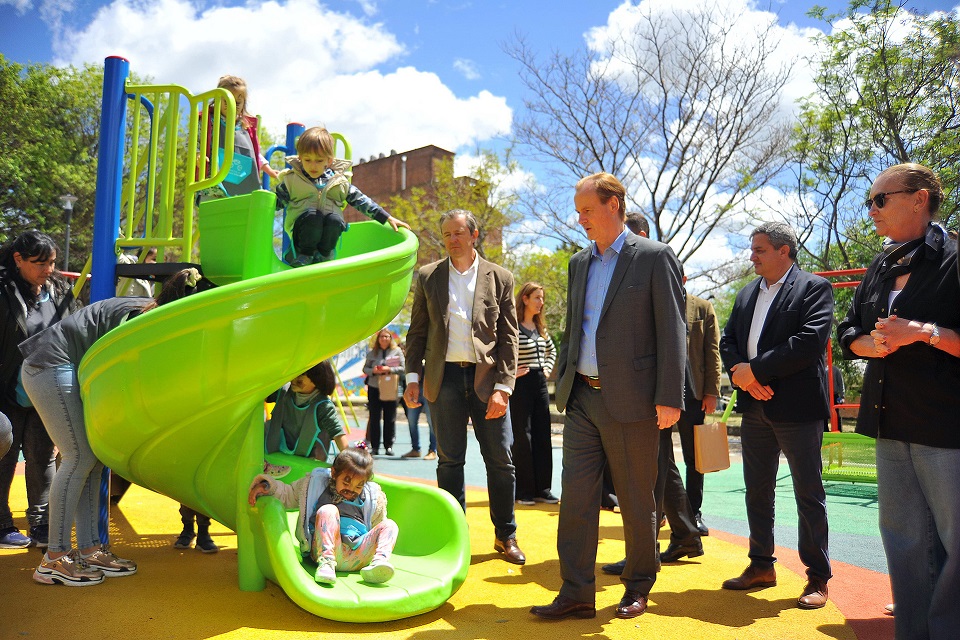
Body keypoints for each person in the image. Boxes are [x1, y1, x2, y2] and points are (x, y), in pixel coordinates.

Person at [530, 173, 686, 622]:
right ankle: (577, 592)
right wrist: (564, 378)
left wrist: (669, 396)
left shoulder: (655, 257)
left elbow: (672, 330)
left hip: (634, 401)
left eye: (587, 210)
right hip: (582, 396)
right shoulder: (578, 263)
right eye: (578, 212)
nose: (580, 219)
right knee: (576, 498)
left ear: (613, 204)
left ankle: (638, 585)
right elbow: (574, 327)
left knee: (637, 500)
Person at [837, 163, 960, 639]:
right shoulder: (880, 265)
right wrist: (863, 344)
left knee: (956, 540)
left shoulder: (953, 258)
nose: (871, 209)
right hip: (889, 422)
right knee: (903, 541)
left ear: (919, 198)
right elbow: (848, 328)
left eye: (879, 199)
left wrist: (922, 333)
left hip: (944, 425)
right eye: (869, 201)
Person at [21, 269, 200, 586]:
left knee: (94, 456)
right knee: (78, 456)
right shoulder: (140, 319)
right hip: (49, 364)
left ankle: (90, 550)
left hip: (67, 366)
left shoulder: (146, 312)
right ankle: (54, 559)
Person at [719, 221, 834, 610]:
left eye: (759, 249)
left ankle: (817, 577)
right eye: (752, 249)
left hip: (798, 409)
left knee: (808, 493)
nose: (752, 256)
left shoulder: (814, 287)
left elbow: (808, 342)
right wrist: (744, 376)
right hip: (754, 407)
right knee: (757, 489)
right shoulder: (746, 292)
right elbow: (728, 341)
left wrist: (756, 371)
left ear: (784, 251)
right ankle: (761, 565)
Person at [403, 208, 525, 565]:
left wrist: (504, 387)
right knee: (449, 461)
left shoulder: (500, 277)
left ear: (474, 235)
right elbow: (417, 332)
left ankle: (505, 535)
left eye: (458, 233)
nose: (452, 240)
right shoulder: (428, 276)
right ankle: (455, 536)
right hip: (443, 380)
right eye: (447, 234)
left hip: (487, 380)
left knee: (500, 460)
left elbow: (509, 337)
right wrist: (412, 378)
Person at [0, 231, 78, 549]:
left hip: (45, 390)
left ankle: (41, 523)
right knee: (5, 456)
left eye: (52, 262)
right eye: (40, 263)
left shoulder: (59, 290)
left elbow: (74, 329)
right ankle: (2, 523)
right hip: (8, 389)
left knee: (42, 456)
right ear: (18, 259)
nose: (48, 269)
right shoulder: (3, 292)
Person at [247, 445, 398, 585]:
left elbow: (378, 529)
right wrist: (268, 486)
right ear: (334, 473)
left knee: (390, 525)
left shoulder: (372, 497)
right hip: (323, 551)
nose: (351, 490)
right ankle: (327, 564)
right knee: (328, 510)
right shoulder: (314, 484)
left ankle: (378, 565)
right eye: (346, 483)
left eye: (359, 486)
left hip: (358, 556)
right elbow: (288, 494)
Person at [275, 126, 410, 266]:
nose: (313, 165)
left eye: (319, 160)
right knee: (314, 217)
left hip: (328, 234)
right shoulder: (292, 181)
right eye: (307, 160)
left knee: (334, 220)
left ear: (329, 161)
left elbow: (361, 200)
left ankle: (325, 254)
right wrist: (263, 205)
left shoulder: (339, 182)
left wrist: (386, 217)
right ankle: (304, 255)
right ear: (300, 158)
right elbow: (275, 202)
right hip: (302, 233)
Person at [510, 281, 558, 505]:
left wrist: (546, 368)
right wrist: (511, 373)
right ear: (525, 299)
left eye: (542, 298)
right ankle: (524, 491)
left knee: (542, 434)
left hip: (540, 384)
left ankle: (543, 489)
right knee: (523, 437)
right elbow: (501, 353)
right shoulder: (513, 327)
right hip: (520, 385)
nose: (541, 302)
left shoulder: (540, 328)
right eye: (537, 297)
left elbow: (552, 351)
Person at [199, 75, 279, 198]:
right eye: (227, 100)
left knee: (244, 204)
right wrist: (197, 154)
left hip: (242, 182)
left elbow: (253, 154)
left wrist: (269, 169)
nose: (232, 105)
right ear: (218, 99)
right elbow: (194, 140)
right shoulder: (208, 121)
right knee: (216, 205)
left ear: (243, 103)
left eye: (238, 102)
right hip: (215, 185)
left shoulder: (246, 126)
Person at [264, 360, 350, 460]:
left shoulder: (323, 406)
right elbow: (259, 397)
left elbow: (338, 434)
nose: (294, 379)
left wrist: (349, 460)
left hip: (308, 461)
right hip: (278, 454)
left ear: (316, 380)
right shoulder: (284, 392)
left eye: (300, 376)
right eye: (294, 374)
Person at [362, 329, 404, 456]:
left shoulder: (397, 351)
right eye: (382, 337)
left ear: (390, 338)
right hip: (374, 387)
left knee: (390, 417)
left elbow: (403, 368)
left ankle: (388, 446)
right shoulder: (372, 353)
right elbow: (365, 368)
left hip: (390, 388)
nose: (384, 339)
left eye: (386, 336)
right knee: (374, 417)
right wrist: (373, 371)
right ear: (378, 339)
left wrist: (389, 369)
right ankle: (374, 446)